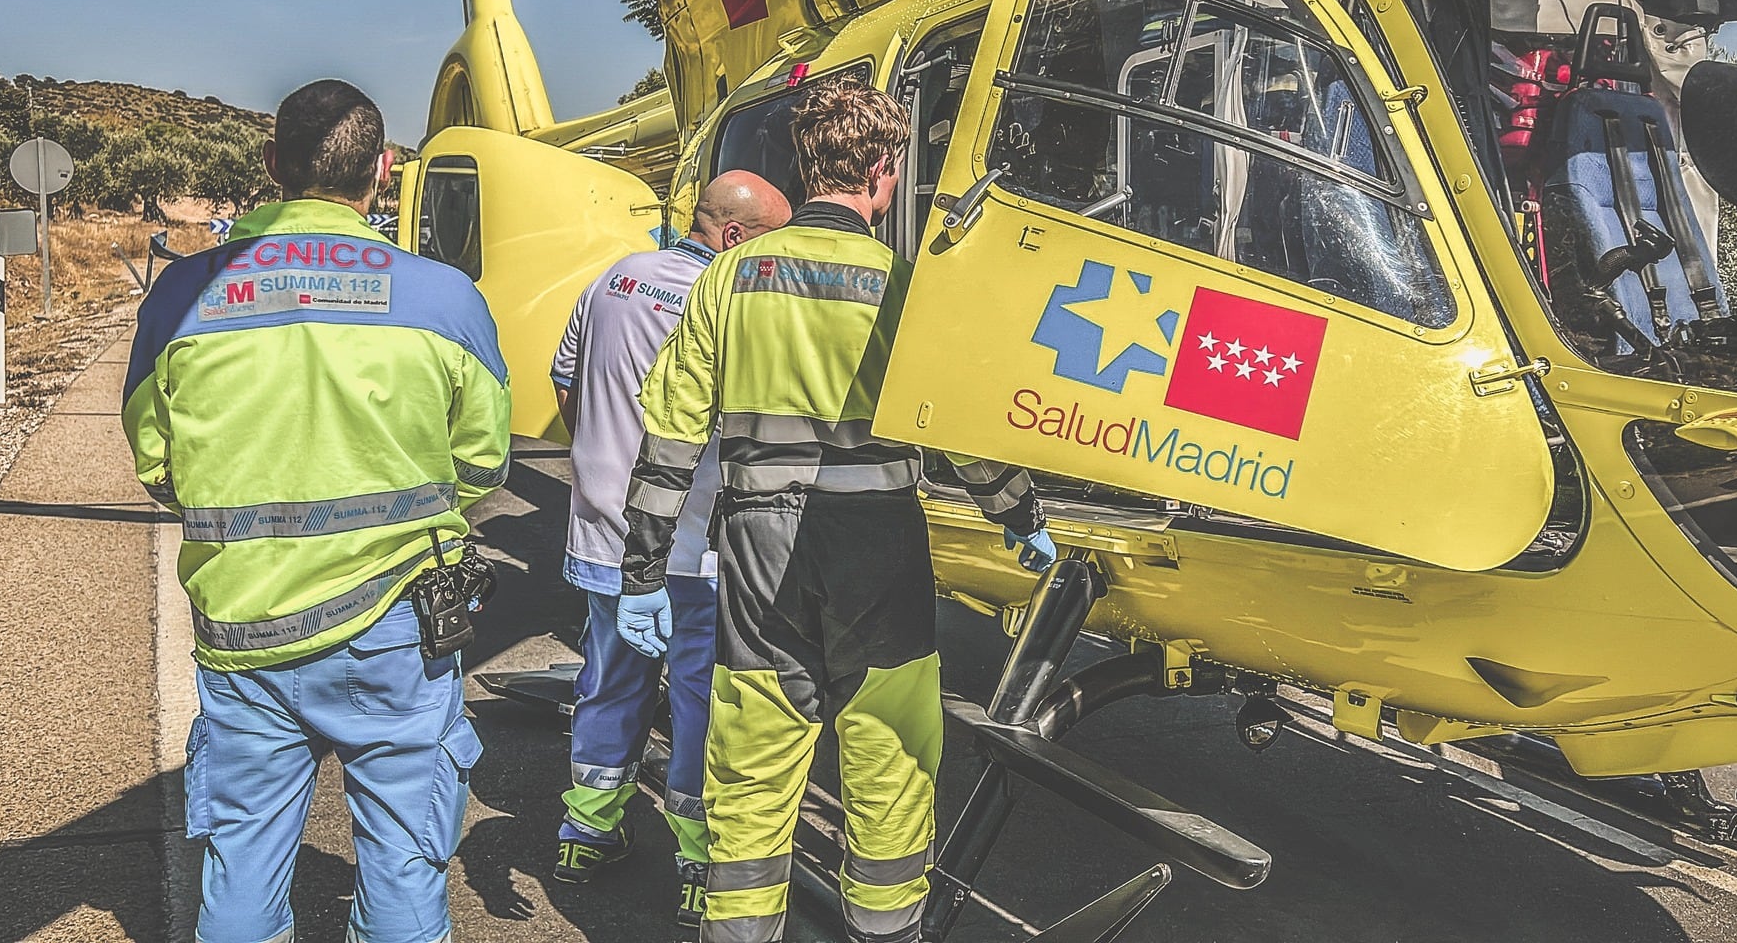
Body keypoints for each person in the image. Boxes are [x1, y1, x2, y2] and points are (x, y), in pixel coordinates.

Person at [620, 78, 1057, 943]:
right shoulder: (905, 287)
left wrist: (642, 570)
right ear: (884, 172)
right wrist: (1017, 512)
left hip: (755, 540)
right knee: (889, 757)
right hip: (879, 546)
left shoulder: (731, 278)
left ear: (806, 162)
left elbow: (669, 434)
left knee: (751, 759)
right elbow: (961, 436)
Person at [123, 79, 511, 943]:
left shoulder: (183, 296)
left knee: (242, 864)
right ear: (382, 169)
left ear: (271, 167)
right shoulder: (445, 298)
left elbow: (158, 465)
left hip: (243, 622)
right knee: (406, 862)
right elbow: (483, 466)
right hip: (400, 632)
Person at [547, 171, 791, 913]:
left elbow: (565, 384)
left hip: (603, 535)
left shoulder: (614, 278)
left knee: (609, 681)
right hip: (693, 546)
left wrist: (601, 468)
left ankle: (584, 833)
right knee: (699, 700)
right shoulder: (731, 301)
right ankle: (695, 864)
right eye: (773, 244)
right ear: (736, 236)